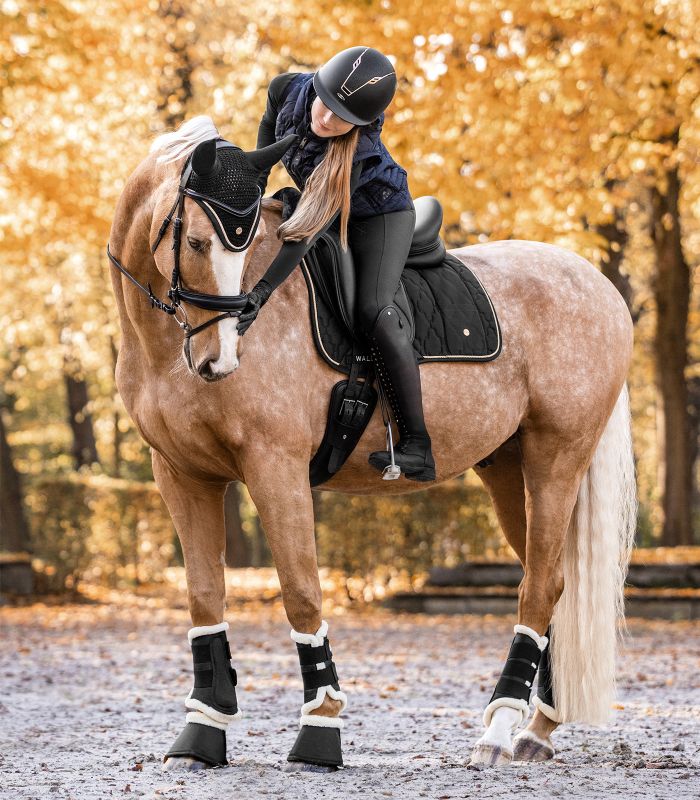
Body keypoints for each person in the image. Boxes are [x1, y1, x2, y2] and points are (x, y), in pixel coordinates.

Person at [238, 46, 435, 482]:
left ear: (360, 125)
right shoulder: (285, 89)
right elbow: (263, 160)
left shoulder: (354, 156)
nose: (326, 119)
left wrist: (260, 294)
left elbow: (305, 232)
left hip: (379, 216)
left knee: (372, 309)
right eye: (325, 103)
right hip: (323, 206)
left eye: (341, 118)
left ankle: (418, 443)